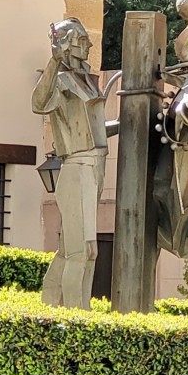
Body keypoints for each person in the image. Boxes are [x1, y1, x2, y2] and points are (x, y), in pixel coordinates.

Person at [32, 18, 118, 309]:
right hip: (77, 166)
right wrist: (54, 62)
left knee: (72, 249)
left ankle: (50, 301)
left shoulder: (84, 80)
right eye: (82, 39)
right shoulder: (61, 80)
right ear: (66, 43)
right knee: (83, 251)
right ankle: (77, 313)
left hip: (95, 165)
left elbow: (95, 129)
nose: (89, 44)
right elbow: (38, 103)